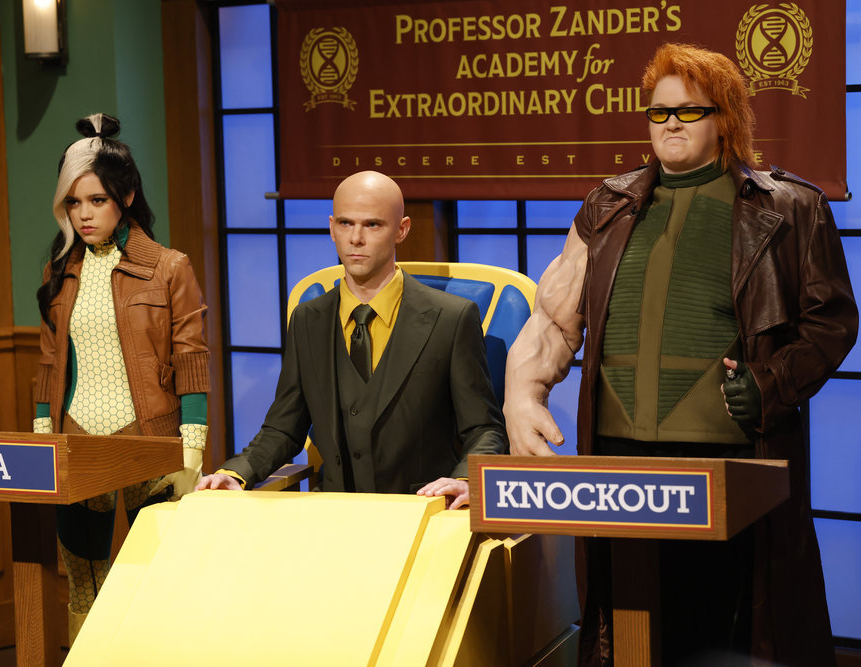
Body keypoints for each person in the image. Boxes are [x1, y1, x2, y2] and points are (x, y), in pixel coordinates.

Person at [503, 43, 857, 665]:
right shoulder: (607, 206)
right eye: (658, 111)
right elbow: (555, 313)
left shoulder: (791, 207)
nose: (670, 123)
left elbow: (831, 321)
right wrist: (522, 393)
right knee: (629, 631)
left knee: (722, 637)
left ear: (725, 117)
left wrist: (771, 384)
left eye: (689, 111)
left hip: (728, 464)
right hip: (617, 463)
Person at [197, 170, 506, 508]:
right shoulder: (308, 320)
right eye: (346, 223)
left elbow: (483, 429)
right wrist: (236, 472)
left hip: (421, 509)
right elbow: (283, 428)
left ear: (401, 230)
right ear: (332, 228)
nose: (356, 238)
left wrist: (465, 480)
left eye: (372, 225)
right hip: (333, 513)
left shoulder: (451, 319)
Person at [32, 113, 211, 644]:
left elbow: (191, 359)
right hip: (76, 440)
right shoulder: (59, 271)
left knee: (156, 581)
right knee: (84, 584)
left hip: (150, 441)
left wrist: (191, 450)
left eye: (97, 200)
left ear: (126, 196)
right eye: (73, 202)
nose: (84, 214)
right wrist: (43, 436)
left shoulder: (169, 267)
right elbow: (49, 362)